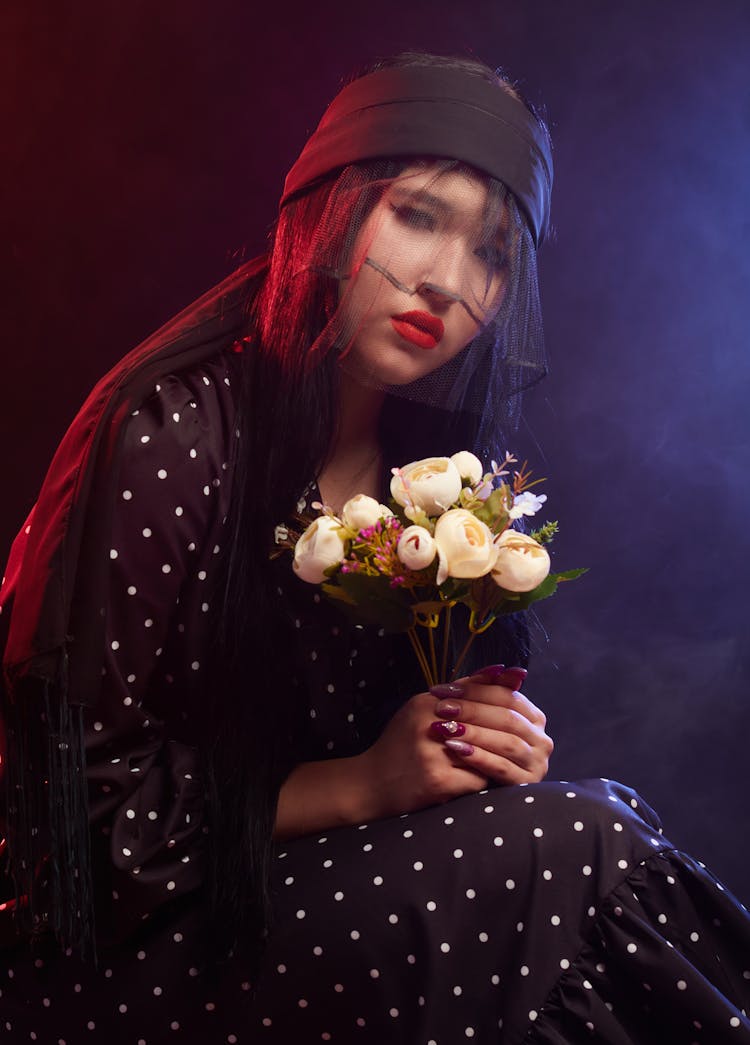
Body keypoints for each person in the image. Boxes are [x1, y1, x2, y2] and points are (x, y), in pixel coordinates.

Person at [1, 51, 748, 1044]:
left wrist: (474, 744)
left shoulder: (433, 477)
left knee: (601, 820)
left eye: (490, 254)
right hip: (130, 952)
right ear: (330, 210)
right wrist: (368, 781)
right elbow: (78, 827)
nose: (446, 281)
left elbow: (424, 767)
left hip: (311, 899)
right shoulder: (173, 429)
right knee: (585, 845)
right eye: (419, 216)